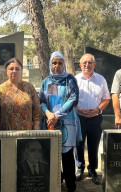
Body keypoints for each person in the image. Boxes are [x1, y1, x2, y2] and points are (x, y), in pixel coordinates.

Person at [39, 51, 82, 192]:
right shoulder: (46, 81)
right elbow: (41, 101)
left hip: (67, 123)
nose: (57, 65)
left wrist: (57, 115)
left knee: (67, 156)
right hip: (49, 122)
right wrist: (48, 113)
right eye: (54, 63)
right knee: (51, 154)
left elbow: (73, 99)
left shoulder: (69, 79)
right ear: (50, 64)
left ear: (63, 64)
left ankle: (71, 187)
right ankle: (56, 183)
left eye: (59, 63)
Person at [75, 54, 110, 184]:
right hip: (79, 117)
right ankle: (80, 168)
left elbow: (106, 98)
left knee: (93, 144)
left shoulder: (101, 80)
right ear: (80, 65)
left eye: (90, 62)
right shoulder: (76, 79)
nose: (87, 65)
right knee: (79, 144)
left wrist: (98, 110)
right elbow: (71, 98)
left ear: (94, 65)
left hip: (95, 118)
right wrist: (78, 109)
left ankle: (93, 169)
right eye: (84, 63)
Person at [0, 58, 41, 130]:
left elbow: (37, 108)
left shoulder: (29, 87)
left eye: (17, 69)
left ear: (21, 71)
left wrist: (36, 126)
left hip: (27, 133)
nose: (14, 71)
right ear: (6, 71)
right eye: (11, 69)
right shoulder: (0, 90)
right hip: (6, 135)